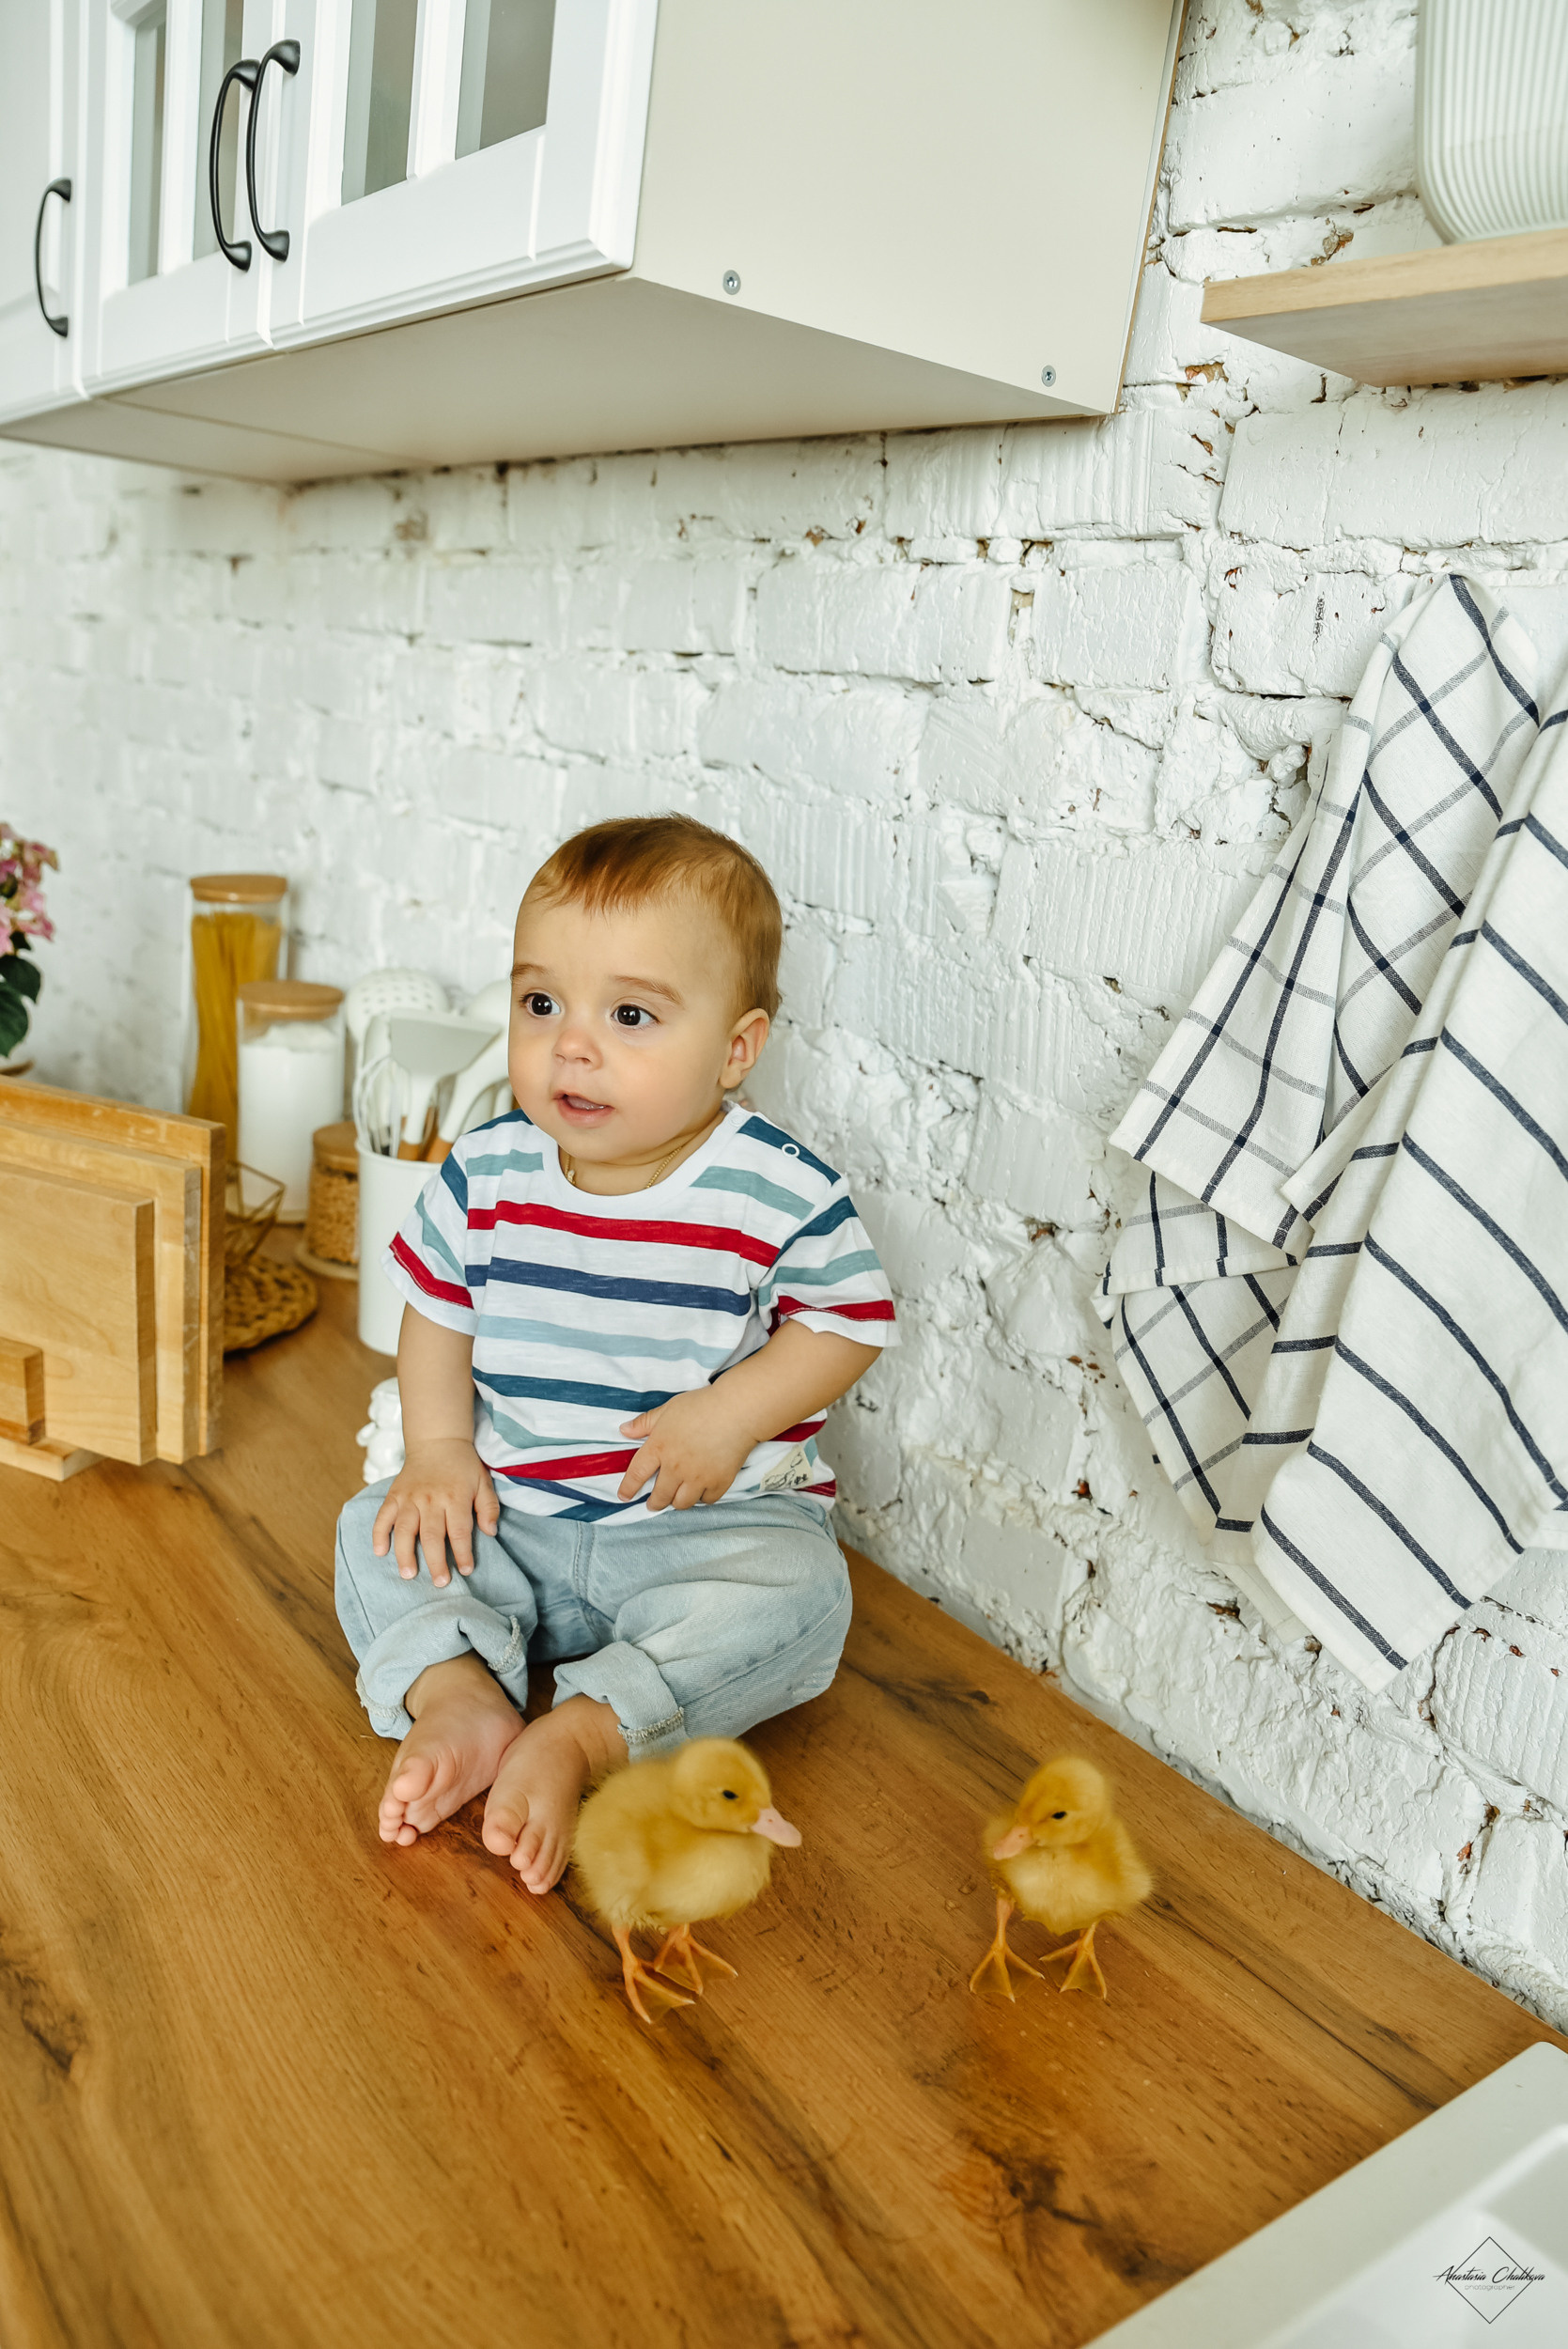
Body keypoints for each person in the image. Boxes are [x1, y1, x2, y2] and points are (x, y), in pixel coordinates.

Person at [334, 814, 897, 1894]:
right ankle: (461, 1692)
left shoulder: (772, 1186)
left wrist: (731, 1415)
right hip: (515, 1519)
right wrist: (441, 1450)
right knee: (377, 1529)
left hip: (698, 1530)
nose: (571, 1044)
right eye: (540, 1003)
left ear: (736, 1049)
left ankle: (587, 1729)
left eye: (629, 1014)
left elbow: (845, 1321)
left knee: (803, 1590)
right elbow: (437, 1309)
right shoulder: (489, 1167)